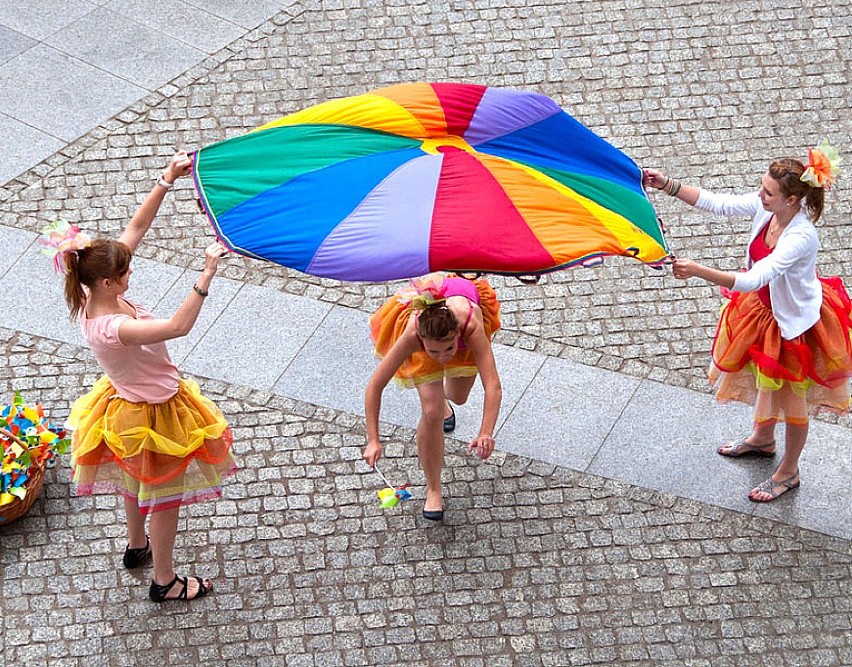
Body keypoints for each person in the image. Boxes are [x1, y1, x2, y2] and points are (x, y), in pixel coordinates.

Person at [43, 152, 236, 601]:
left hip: (123, 405)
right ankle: (165, 580)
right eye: (127, 271)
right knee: (165, 499)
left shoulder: (93, 289)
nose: (133, 270)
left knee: (135, 479)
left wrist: (166, 180)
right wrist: (206, 272)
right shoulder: (116, 329)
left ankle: (136, 546)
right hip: (155, 412)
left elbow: (135, 230)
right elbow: (177, 327)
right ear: (110, 282)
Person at [645, 141, 850, 502]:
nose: (760, 195)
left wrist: (696, 270)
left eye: (768, 192)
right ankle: (762, 440)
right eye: (761, 187)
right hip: (763, 313)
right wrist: (667, 184)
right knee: (764, 380)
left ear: (791, 200)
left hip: (793, 327)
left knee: (792, 402)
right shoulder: (769, 209)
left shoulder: (801, 236)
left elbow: (757, 277)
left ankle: (789, 472)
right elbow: (718, 203)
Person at [363, 273, 503, 520]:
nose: (443, 357)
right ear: (422, 343)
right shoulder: (413, 334)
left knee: (458, 396)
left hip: (464, 332)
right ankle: (433, 489)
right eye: (434, 351)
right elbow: (375, 386)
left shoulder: (471, 327)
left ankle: (446, 403)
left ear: (455, 336)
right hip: (426, 339)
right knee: (432, 411)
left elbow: (492, 386)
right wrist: (373, 440)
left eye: (448, 349)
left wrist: (485, 432)